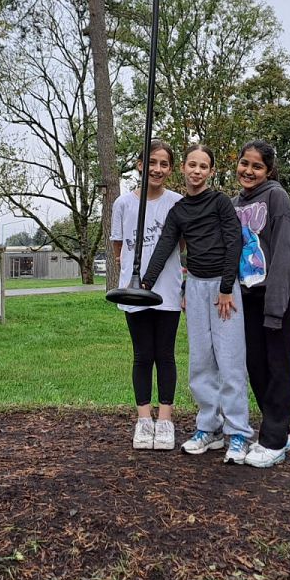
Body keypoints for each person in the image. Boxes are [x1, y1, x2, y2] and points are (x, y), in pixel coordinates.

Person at [142, 143, 252, 463]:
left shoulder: (219, 202)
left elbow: (234, 242)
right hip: (195, 288)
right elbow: (165, 246)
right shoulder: (179, 211)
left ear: (211, 171)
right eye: (192, 165)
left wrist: (227, 287)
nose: (197, 171)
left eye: (203, 166)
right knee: (201, 362)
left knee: (230, 362)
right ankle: (209, 428)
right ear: (183, 168)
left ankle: (238, 433)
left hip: (224, 289)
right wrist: (145, 282)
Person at [232, 140, 290, 468]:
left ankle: (274, 441)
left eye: (257, 166)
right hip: (247, 296)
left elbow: (287, 252)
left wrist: (275, 308)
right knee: (256, 365)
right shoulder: (234, 203)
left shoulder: (277, 197)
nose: (249, 171)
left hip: (279, 292)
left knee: (277, 364)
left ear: (269, 170)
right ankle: (278, 431)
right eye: (244, 163)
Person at [111, 140, 183, 451]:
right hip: (134, 292)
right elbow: (119, 247)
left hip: (167, 290)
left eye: (164, 164)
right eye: (152, 162)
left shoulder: (177, 203)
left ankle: (165, 420)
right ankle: (143, 420)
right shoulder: (123, 204)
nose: (157, 169)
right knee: (142, 355)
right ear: (140, 165)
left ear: (170, 169)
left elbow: (181, 245)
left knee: (165, 355)